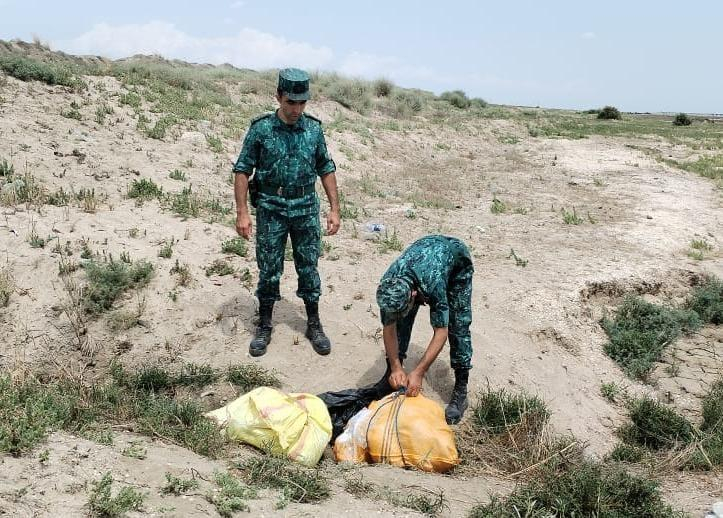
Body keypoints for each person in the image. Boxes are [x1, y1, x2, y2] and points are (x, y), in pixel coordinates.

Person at [232, 68, 340, 357]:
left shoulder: (314, 129)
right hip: (271, 208)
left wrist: (334, 209)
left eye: (302, 103)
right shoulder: (261, 129)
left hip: (305, 208)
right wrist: (242, 212)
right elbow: (243, 169)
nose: (296, 109)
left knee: (308, 267)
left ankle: (313, 323)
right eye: (291, 102)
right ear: (278, 96)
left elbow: (325, 167)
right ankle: (265, 323)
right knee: (269, 269)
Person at [375, 235, 474, 424]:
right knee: (400, 322)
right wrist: (396, 367)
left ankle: (461, 388)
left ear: (413, 294)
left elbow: (441, 332)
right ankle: (392, 373)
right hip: (423, 255)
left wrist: (419, 372)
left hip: (455, 262)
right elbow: (389, 328)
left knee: (457, 325)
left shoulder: (433, 282)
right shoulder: (388, 286)